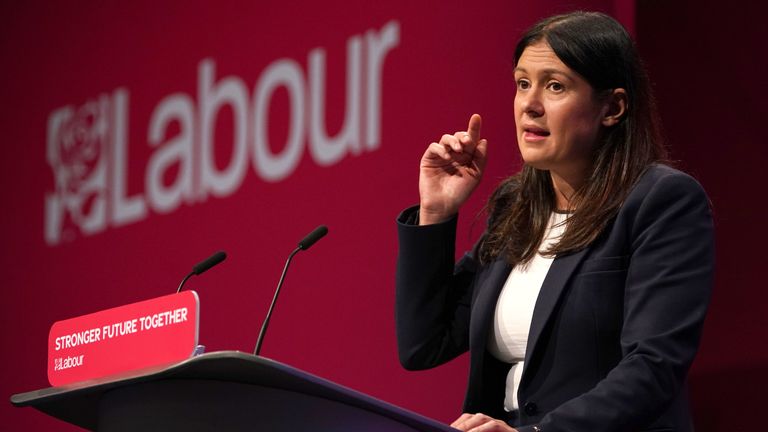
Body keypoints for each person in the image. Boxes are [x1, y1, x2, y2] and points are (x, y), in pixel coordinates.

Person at [395, 11, 714, 432]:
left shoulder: (660, 201)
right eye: (523, 83)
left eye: (555, 86)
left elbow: (653, 366)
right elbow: (423, 344)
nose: (530, 104)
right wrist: (435, 212)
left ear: (613, 107)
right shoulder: (516, 209)